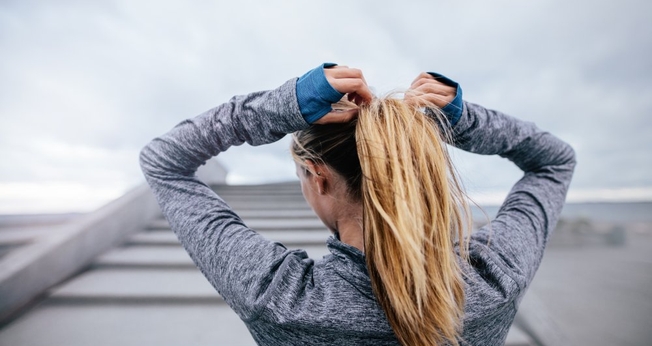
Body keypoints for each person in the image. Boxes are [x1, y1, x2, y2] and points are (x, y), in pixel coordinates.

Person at [140, 63, 576, 346]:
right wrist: (462, 120)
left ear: (319, 177)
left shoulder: (280, 298)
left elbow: (163, 161)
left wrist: (282, 108)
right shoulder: (494, 278)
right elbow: (554, 160)